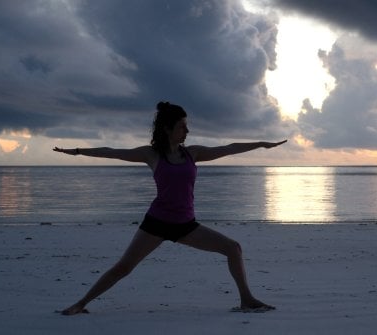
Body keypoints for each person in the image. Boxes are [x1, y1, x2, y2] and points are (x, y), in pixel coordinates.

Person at [54, 101, 286, 315]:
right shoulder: (151, 154)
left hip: (186, 225)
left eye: (187, 126)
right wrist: (76, 151)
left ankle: (246, 299)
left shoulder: (192, 153)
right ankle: (81, 304)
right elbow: (110, 151)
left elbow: (229, 147)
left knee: (233, 248)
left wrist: (261, 145)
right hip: (156, 223)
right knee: (124, 267)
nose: (187, 131)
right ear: (167, 128)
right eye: (182, 126)